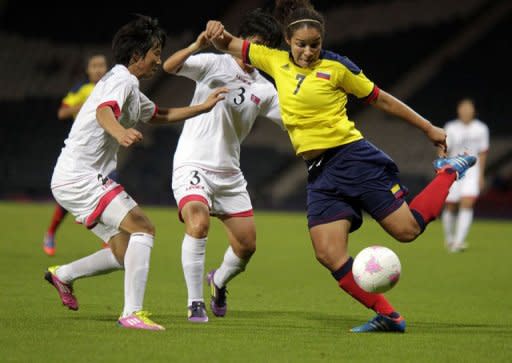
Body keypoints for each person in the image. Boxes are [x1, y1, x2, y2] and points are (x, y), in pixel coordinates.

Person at [204, 0, 476, 333]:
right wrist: (216, 31)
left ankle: (448, 171)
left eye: (314, 45)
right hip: (319, 171)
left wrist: (428, 127)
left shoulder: (338, 67)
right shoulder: (273, 60)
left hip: (352, 158)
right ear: (288, 41)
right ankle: (390, 317)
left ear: (322, 42)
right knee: (328, 253)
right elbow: (228, 42)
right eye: (301, 45)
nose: (307, 52)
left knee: (406, 231)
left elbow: (383, 99)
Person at [44, 14, 228, 331]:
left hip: (71, 177)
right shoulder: (121, 81)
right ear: (136, 56)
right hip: (80, 176)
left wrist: (201, 107)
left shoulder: (128, 85)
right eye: (155, 52)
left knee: (124, 250)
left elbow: (158, 114)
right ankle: (132, 313)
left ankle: (64, 274)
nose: (158, 59)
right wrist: (119, 134)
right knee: (144, 228)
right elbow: (105, 112)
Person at [162, 8, 284, 322]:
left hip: (229, 173)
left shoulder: (265, 89)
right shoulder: (214, 62)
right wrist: (198, 44)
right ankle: (194, 303)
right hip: (193, 163)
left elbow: (293, 123)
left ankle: (218, 281)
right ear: (241, 40)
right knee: (198, 224)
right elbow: (170, 66)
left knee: (246, 246)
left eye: (264, 49)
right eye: (253, 43)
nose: (255, 53)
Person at [43, 53, 109, 256]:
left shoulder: (110, 86)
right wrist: (86, 104)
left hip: (105, 149)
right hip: (83, 150)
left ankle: (107, 238)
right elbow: (62, 113)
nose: (98, 69)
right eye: (94, 65)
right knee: (67, 200)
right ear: (88, 70)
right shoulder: (81, 89)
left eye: (101, 65)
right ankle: (51, 233)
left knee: (109, 188)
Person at [441, 98, 489, 252]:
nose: (466, 111)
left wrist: (481, 175)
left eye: (469, 108)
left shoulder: (481, 128)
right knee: (450, 205)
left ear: (473, 110)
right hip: (453, 169)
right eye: (463, 108)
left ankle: (458, 241)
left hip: (472, 171)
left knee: (467, 203)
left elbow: (483, 153)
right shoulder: (451, 127)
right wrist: (442, 169)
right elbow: (443, 149)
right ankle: (449, 239)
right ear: (458, 110)